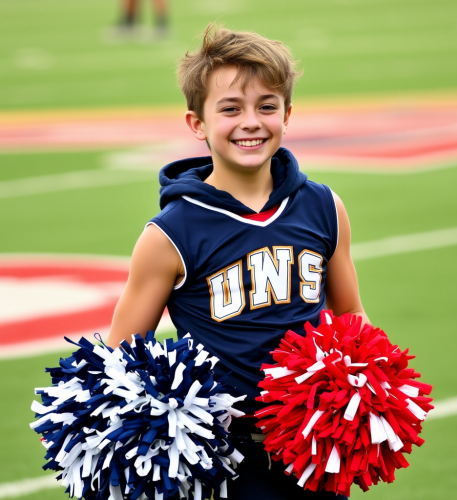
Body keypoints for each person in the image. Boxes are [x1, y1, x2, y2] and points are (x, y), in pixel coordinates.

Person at [107, 24, 369, 499]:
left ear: (288, 115)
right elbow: (123, 357)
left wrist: (364, 386)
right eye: (230, 109)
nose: (251, 121)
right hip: (228, 461)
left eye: (267, 106)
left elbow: (351, 315)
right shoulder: (170, 234)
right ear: (197, 124)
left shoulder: (325, 206)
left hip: (316, 449)